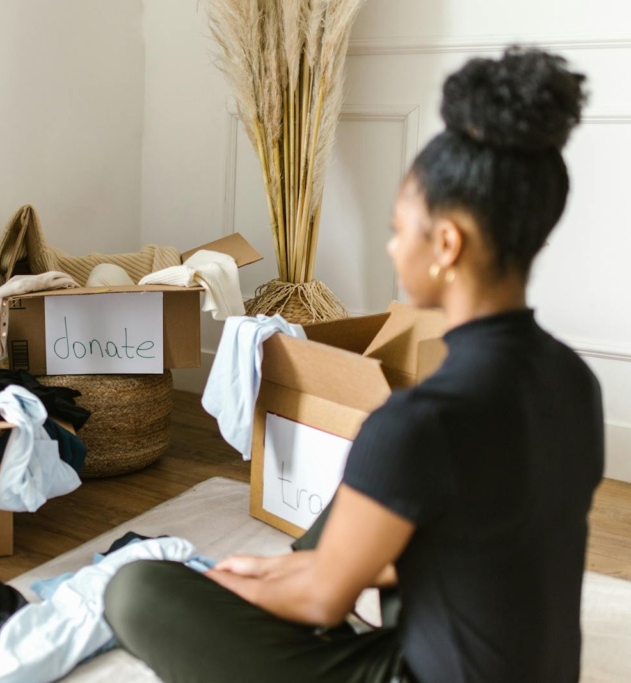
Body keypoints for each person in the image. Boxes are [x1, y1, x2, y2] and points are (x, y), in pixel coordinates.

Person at [103, 46, 603, 683]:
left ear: (446, 244)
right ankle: (315, 562)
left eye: (400, 229)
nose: (393, 247)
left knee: (136, 591)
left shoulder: (420, 419)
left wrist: (240, 585)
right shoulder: (573, 380)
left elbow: (321, 603)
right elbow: (494, 545)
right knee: (363, 507)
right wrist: (294, 571)